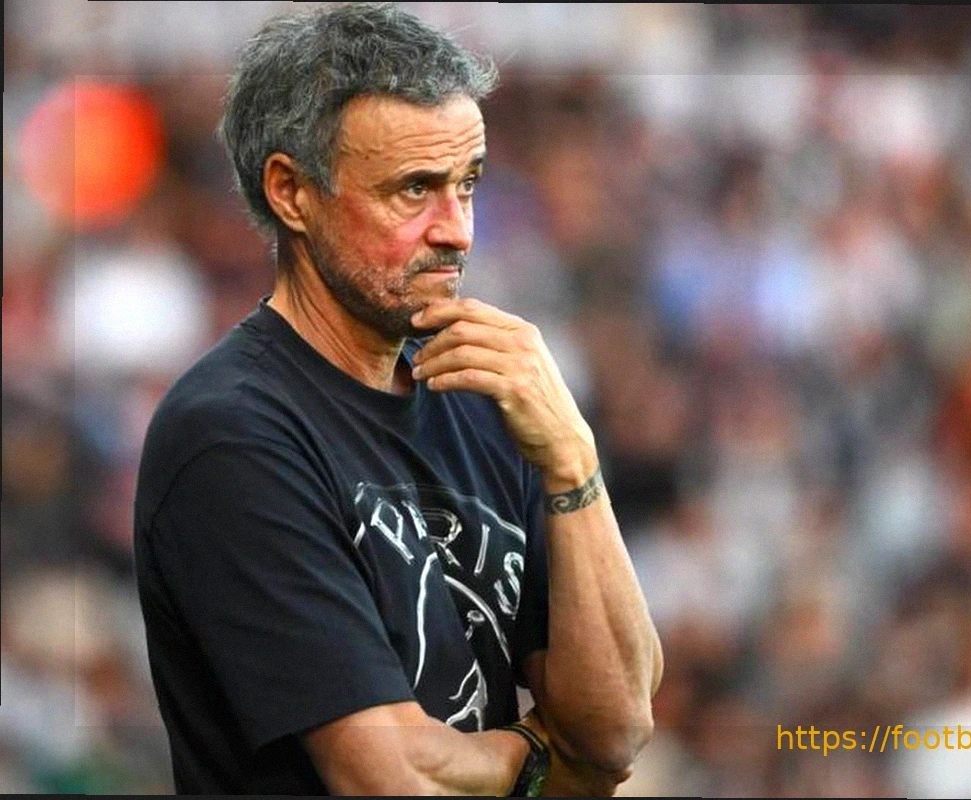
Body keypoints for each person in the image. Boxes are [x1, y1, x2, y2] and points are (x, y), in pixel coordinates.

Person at [133, 4, 662, 795]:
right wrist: (551, 761)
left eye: (467, 184)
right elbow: (390, 778)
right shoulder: (233, 435)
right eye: (415, 189)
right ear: (291, 192)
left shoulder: (487, 397)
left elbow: (616, 728)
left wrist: (572, 458)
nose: (458, 231)